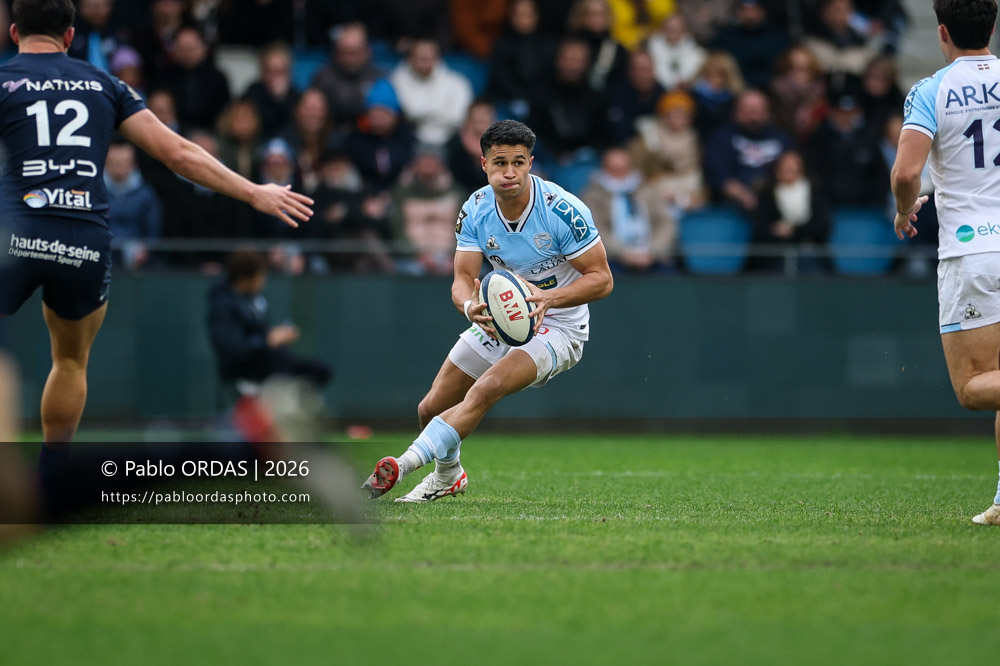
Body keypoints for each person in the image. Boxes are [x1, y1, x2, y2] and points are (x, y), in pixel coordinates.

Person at [0, 0, 313, 461]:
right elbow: (179, 153)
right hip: (82, 239)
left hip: (16, 233)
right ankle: (52, 468)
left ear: (13, 33)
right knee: (69, 360)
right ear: (70, 36)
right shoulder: (105, 84)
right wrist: (252, 191)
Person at [362, 119, 613, 502]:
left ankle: (404, 463)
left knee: (487, 388)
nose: (509, 173)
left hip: (559, 325)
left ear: (531, 163)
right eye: (499, 163)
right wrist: (469, 306)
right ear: (484, 164)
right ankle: (449, 476)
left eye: (518, 162)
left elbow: (602, 279)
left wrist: (548, 299)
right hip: (501, 316)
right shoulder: (476, 208)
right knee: (431, 407)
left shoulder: (563, 211)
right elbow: (462, 279)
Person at [890, 0, 1000, 525]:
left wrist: (905, 207)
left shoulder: (933, 89)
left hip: (973, 249)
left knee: (973, 388)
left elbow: (905, 172)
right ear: (993, 28)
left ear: (942, 32)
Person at [208, 250, 331, 390]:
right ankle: (281, 408)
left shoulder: (253, 300)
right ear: (245, 278)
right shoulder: (222, 306)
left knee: (320, 370)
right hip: (243, 367)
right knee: (280, 359)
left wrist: (275, 337)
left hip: (269, 361)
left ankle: (292, 405)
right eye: (260, 277)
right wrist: (268, 340)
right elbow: (232, 349)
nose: (263, 282)